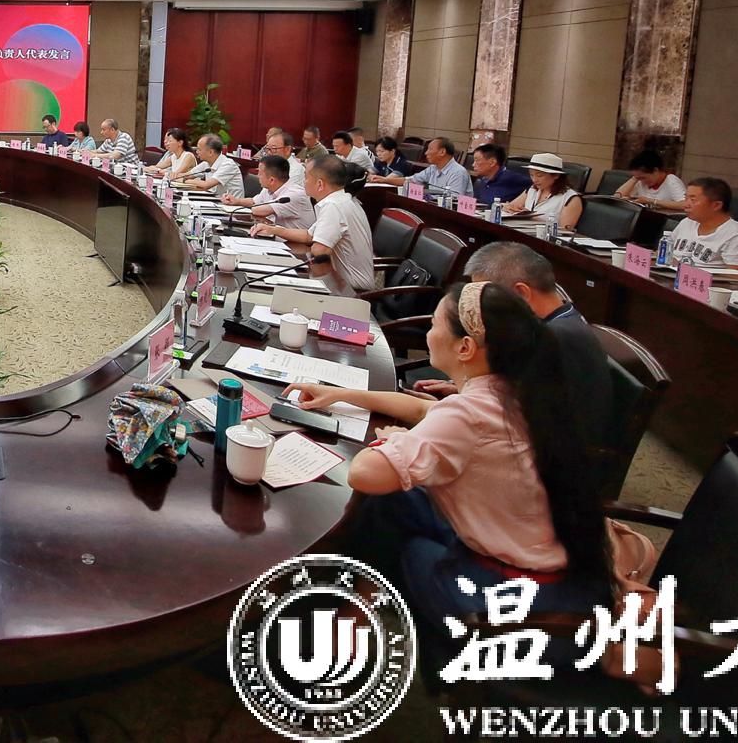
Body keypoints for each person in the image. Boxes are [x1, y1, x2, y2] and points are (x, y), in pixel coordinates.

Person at [285, 281, 612, 625]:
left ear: (465, 347)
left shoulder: (468, 414)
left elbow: (364, 473)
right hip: (553, 568)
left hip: (505, 594)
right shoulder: (515, 391)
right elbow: (423, 410)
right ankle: (355, 611)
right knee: (394, 502)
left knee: (401, 536)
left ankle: (343, 617)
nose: (429, 333)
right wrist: (341, 395)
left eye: (434, 325)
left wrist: (394, 441)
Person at [408, 246, 614, 455]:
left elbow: (513, 421)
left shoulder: (553, 342)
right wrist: (460, 389)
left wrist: (452, 406)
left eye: (486, 297)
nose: (476, 309)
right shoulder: (558, 322)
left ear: (521, 293)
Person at [249, 156, 374, 295]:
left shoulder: (334, 206)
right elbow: (309, 235)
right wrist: (274, 230)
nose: (304, 182)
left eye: (306, 178)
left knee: (276, 292)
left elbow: (319, 251)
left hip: (351, 290)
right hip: (337, 281)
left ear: (320, 184)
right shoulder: (342, 200)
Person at [667, 177, 738, 273]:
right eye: (686, 198)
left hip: (699, 281)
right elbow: (664, 253)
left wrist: (684, 270)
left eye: (693, 200)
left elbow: (736, 277)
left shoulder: (736, 234)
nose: (685, 205)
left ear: (716, 205)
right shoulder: (686, 222)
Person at [224, 153, 313, 231]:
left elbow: (259, 210)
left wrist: (243, 207)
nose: (257, 176)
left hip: (295, 243)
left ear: (272, 180)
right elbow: (254, 202)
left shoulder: (294, 195)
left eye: (260, 173)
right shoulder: (269, 188)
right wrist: (236, 201)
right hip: (276, 237)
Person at [506, 152, 584, 230]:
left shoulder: (571, 199)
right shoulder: (532, 189)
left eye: (539, 175)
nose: (534, 180)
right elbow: (510, 207)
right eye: (531, 175)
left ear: (556, 175)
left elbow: (564, 231)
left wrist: (530, 217)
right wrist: (511, 209)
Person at [374, 136, 471, 198]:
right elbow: (410, 180)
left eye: (430, 149)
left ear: (442, 152)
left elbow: (454, 199)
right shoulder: (432, 168)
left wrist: (426, 193)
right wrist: (384, 180)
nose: (426, 153)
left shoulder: (458, 172)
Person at [615, 149, 686, 210]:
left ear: (655, 170)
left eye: (643, 177)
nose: (642, 181)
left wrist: (651, 201)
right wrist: (634, 178)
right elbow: (617, 197)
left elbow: (684, 204)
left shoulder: (671, 181)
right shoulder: (640, 182)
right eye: (638, 178)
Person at [181, 133, 244, 198]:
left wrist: (184, 180)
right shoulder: (206, 163)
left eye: (199, 149)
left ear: (211, 152)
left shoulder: (228, 165)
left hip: (230, 203)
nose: (197, 152)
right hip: (214, 200)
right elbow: (187, 175)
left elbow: (206, 185)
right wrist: (177, 176)